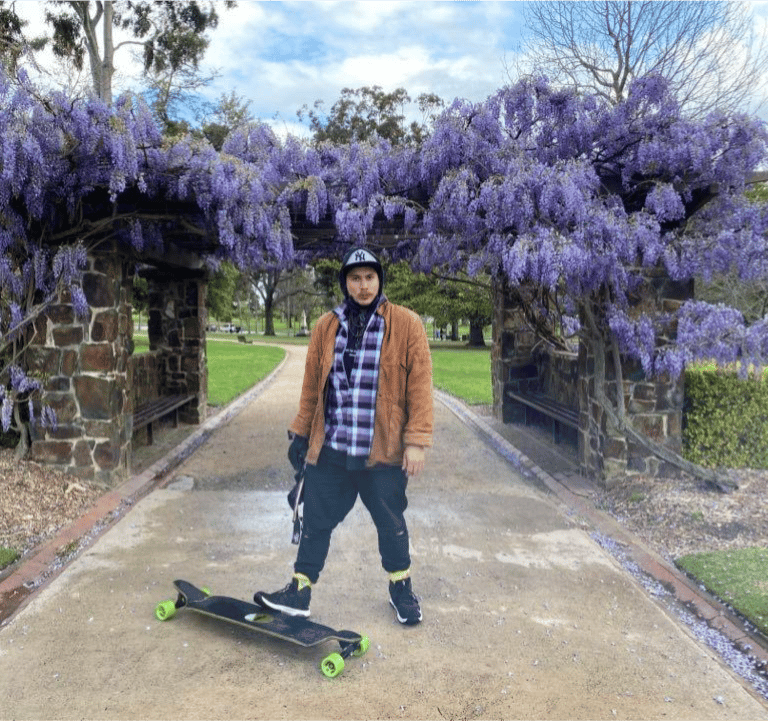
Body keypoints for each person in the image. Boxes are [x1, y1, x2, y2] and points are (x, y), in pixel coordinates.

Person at [255, 247, 433, 625]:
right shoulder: (326, 326)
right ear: (345, 283)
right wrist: (301, 434)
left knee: (391, 523)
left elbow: (419, 387)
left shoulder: (406, 324)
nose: (363, 286)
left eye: (370, 277)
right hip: (334, 446)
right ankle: (299, 592)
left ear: (379, 280)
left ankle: (401, 589)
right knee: (316, 520)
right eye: (355, 278)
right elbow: (310, 387)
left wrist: (416, 441)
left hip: (381, 451)